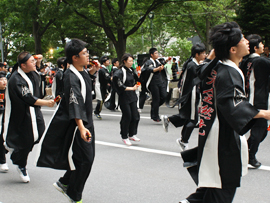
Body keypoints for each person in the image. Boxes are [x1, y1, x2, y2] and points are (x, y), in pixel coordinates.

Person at [179, 21, 270, 203]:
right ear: (233, 49)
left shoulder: (219, 67)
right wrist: (263, 113)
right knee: (223, 187)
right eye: (242, 39)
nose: (246, 41)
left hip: (215, 133)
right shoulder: (227, 72)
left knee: (211, 188)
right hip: (222, 138)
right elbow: (233, 106)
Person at [36, 39, 96, 203]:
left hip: (85, 121)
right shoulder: (70, 76)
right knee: (86, 159)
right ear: (75, 57)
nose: (87, 55)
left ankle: (65, 182)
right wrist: (82, 127)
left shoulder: (81, 71)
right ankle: (73, 194)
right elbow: (74, 101)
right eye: (84, 53)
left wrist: (92, 71)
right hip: (77, 124)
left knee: (83, 159)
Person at [3, 52, 55, 183]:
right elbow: (28, 98)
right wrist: (47, 103)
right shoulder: (16, 79)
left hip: (34, 111)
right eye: (31, 61)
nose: (34, 63)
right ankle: (21, 164)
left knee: (39, 134)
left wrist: (37, 61)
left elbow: (39, 80)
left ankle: (9, 148)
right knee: (26, 140)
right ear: (23, 65)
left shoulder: (31, 73)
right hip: (21, 114)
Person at [162, 43, 206, 151]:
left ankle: (169, 120)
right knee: (193, 119)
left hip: (192, 94)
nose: (205, 55)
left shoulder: (193, 64)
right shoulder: (192, 66)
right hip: (191, 95)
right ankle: (183, 141)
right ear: (197, 54)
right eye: (203, 53)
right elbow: (187, 82)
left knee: (189, 117)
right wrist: (185, 97)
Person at [239, 34, 270, 168]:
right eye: (261, 44)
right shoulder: (262, 61)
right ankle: (250, 156)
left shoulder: (245, 61)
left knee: (246, 127)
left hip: (248, 98)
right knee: (261, 129)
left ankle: (243, 151)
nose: (263, 46)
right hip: (260, 100)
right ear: (256, 48)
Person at [113, 53, 140, 146]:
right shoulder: (119, 72)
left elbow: (137, 80)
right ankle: (124, 136)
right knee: (127, 116)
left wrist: (139, 78)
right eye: (130, 61)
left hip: (132, 96)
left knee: (135, 116)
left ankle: (131, 134)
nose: (131, 63)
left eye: (132, 61)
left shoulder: (131, 70)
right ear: (124, 61)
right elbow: (119, 85)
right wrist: (131, 88)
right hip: (124, 97)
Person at [141, 48, 167, 122]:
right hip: (153, 83)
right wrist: (158, 68)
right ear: (151, 54)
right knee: (156, 99)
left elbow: (161, 65)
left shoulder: (157, 61)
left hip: (160, 82)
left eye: (157, 53)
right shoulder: (148, 62)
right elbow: (150, 69)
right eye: (155, 53)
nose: (157, 54)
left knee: (164, 96)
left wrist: (166, 62)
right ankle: (155, 116)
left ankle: (154, 107)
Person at [0, 72, 8, 172]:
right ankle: (3, 161)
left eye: (5, 79)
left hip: (6, 118)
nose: (4, 82)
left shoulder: (9, 91)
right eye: (1, 80)